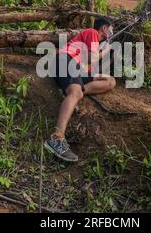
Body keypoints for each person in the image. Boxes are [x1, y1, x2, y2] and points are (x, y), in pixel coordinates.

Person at [44, 16, 116, 162]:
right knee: (75, 92)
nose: (113, 31)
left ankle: (73, 93)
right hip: (64, 60)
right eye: (111, 28)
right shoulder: (92, 32)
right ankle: (56, 138)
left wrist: (103, 48)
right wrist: (106, 50)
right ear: (104, 28)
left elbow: (88, 63)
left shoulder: (96, 42)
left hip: (75, 68)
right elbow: (92, 58)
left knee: (110, 81)